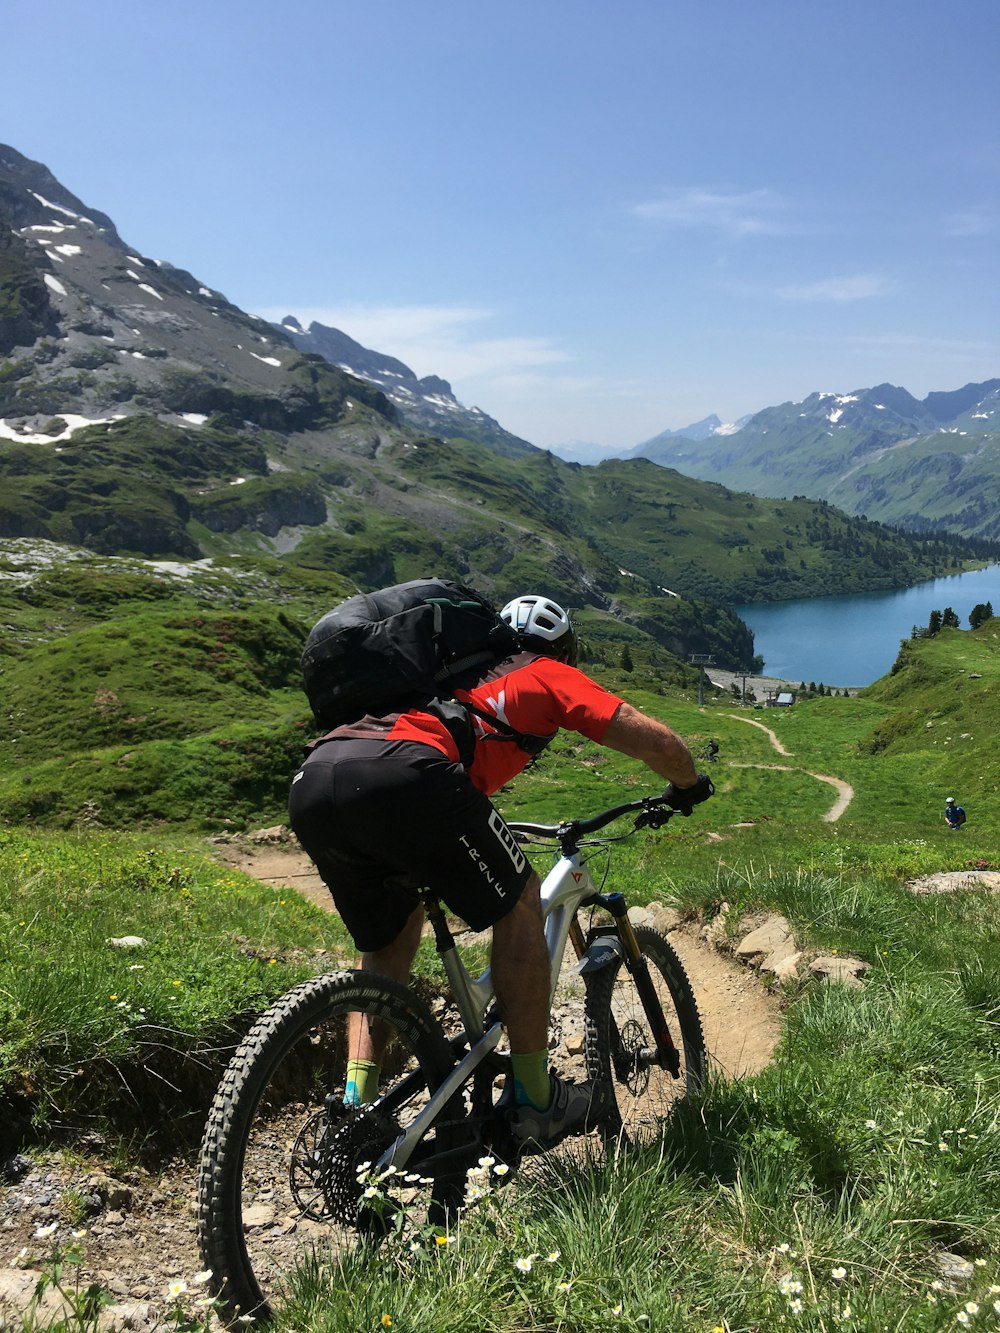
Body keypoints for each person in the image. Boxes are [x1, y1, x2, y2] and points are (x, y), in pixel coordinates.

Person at [288, 592, 713, 1149]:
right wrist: (688, 783)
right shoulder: (544, 672)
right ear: (561, 649)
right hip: (410, 774)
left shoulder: (437, 683)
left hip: (318, 779)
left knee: (388, 944)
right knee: (520, 904)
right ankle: (535, 1100)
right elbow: (644, 733)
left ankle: (355, 1109)